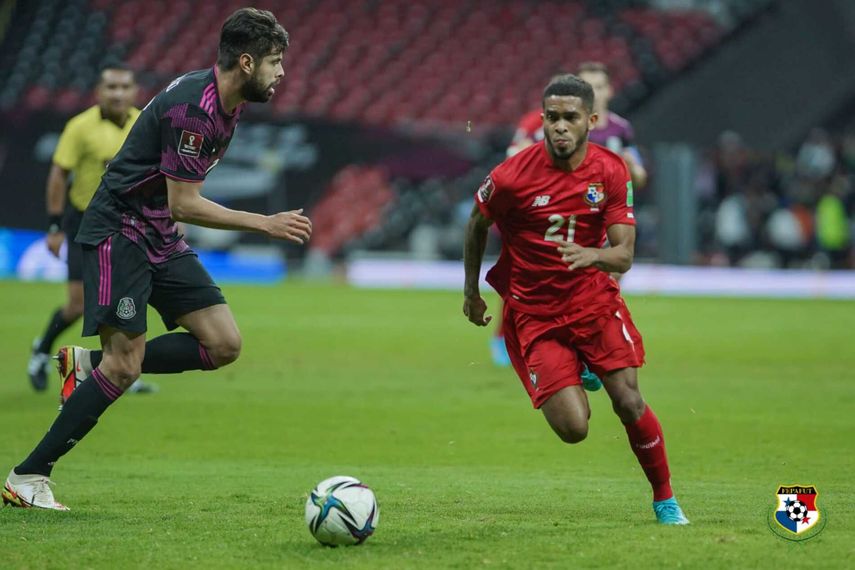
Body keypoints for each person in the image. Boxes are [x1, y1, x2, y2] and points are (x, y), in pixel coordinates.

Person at [2, 7, 312, 511]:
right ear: (247, 62)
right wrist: (265, 223)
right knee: (124, 368)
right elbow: (184, 202)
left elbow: (176, 197)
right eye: (275, 61)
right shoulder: (195, 110)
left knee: (223, 343)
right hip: (120, 232)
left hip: (158, 234)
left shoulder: (227, 103)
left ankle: (88, 364)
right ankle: (28, 475)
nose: (282, 73)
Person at [462, 74, 688, 524]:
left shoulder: (610, 170)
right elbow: (475, 225)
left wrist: (593, 255)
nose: (560, 126)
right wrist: (471, 291)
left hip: (593, 305)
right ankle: (576, 368)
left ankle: (665, 499)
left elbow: (624, 255)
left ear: (591, 121)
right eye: (552, 117)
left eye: (570, 117)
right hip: (535, 315)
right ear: (542, 119)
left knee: (628, 401)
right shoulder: (510, 176)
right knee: (573, 429)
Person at [491, 62, 647, 368]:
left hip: (600, 218)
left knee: (607, 278)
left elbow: (638, 176)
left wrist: (633, 170)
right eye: (589, 86)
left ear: (609, 90)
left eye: (599, 87)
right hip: (552, 216)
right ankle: (507, 336)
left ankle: (587, 349)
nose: (595, 93)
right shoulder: (546, 124)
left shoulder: (621, 130)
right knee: (531, 279)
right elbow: (515, 157)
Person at [27, 63, 155, 397]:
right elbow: (59, 175)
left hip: (128, 222)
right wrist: (54, 226)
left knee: (124, 300)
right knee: (77, 305)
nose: (117, 93)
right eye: (111, 87)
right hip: (85, 221)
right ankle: (42, 348)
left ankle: (121, 369)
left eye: (124, 87)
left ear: (135, 91)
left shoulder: (144, 123)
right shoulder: (80, 127)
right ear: (98, 92)